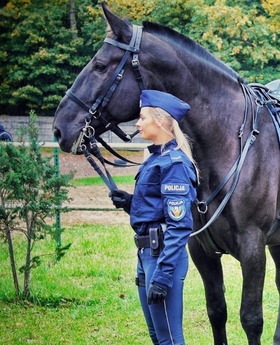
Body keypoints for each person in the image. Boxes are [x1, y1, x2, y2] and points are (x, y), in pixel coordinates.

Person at [109, 90, 198, 345]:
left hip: (162, 258)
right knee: (157, 337)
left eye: (142, 118)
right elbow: (157, 208)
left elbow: (179, 226)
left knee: (169, 338)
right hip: (147, 254)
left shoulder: (174, 164)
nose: (137, 124)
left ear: (160, 122)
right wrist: (130, 203)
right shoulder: (156, 158)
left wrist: (163, 274)